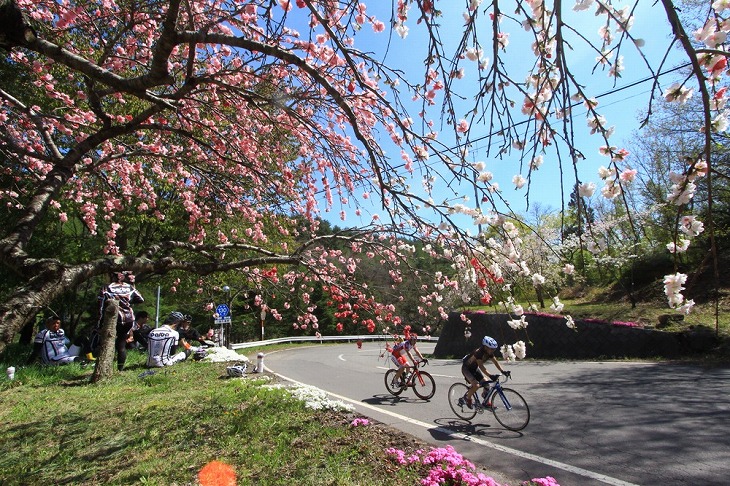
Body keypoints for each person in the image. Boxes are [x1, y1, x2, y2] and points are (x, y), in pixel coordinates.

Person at [95, 271, 144, 370]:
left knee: (107, 342)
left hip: (114, 318)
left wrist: (99, 324)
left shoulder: (107, 288)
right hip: (129, 319)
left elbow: (100, 307)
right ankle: (120, 369)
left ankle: (105, 369)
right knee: (121, 344)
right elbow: (141, 299)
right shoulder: (129, 287)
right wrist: (127, 302)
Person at [460, 335, 510, 409]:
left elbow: (496, 362)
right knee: (476, 385)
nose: (493, 351)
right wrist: (490, 375)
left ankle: (486, 401)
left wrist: (503, 371)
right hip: (466, 369)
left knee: (486, 383)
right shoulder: (478, 353)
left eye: (494, 349)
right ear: (486, 347)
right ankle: (467, 398)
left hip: (474, 368)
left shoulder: (489, 352)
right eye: (492, 349)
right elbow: (481, 366)